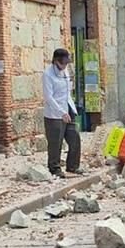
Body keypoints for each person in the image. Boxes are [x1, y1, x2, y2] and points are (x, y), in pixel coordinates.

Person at [43, 48, 81, 178]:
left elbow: (67, 92)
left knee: (74, 138)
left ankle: (73, 166)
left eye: (66, 63)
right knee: (56, 142)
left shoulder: (65, 72)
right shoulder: (47, 74)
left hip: (68, 109)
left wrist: (71, 110)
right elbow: (49, 97)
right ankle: (54, 168)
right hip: (54, 114)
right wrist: (61, 112)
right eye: (62, 63)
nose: (64, 66)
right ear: (55, 61)